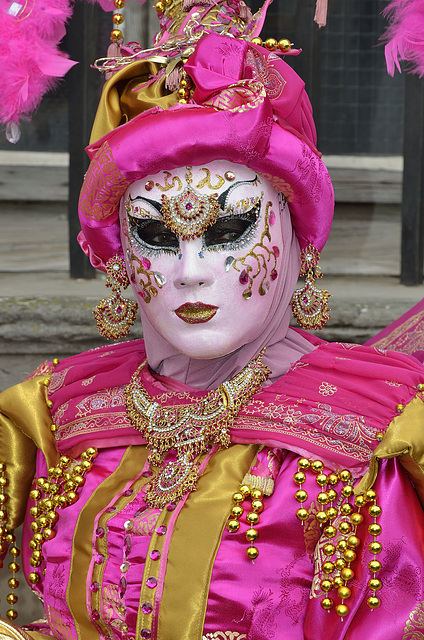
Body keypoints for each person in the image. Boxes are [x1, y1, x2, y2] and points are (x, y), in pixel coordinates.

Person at [1, 1, 424, 639]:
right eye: (154, 235)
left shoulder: (375, 437)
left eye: (228, 231)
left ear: (293, 237)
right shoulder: (55, 413)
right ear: (119, 255)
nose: (191, 271)